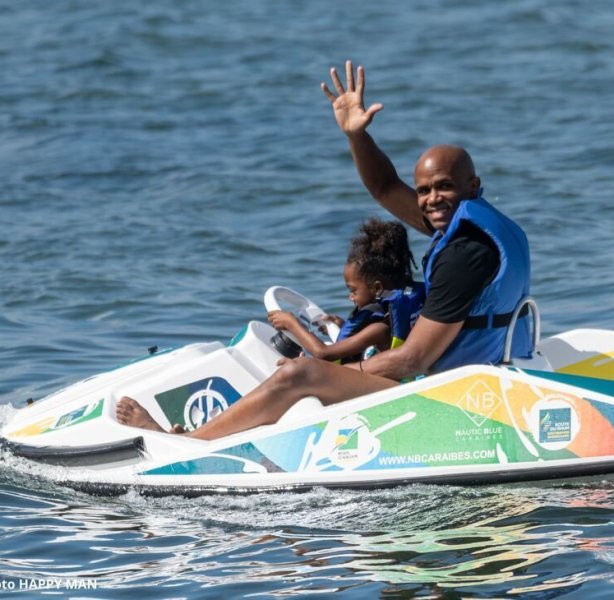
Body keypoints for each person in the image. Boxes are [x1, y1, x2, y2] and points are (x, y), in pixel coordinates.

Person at [115, 60, 530, 440]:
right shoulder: (473, 224)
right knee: (309, 369)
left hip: (448, 392)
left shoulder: (465, 253)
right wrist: (358, 135)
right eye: (424, 190)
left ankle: (187, 444)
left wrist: (331, 369)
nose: (431, 199)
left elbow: (413, 361)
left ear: (471, 186)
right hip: (473, 371)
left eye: (444, 186)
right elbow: (385, 188)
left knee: (297, 374)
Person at [267, 217, 425, 364]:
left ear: (377, 288)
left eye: (353, 290)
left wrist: (292, 324)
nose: (351, 297)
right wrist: (342, 327)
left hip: (377, 388)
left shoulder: (379, 329)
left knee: (297, 365)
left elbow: (323, 353)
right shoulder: (391, 315)